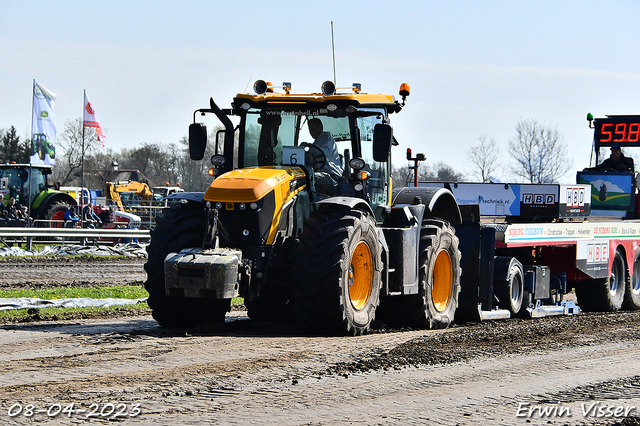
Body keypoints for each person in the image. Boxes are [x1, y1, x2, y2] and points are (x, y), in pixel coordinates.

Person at [306, 118, 344, 194]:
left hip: (331, 174)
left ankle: (319, 202)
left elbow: (324, 153)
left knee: (312, 178)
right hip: (319, 172)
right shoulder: (316, 142)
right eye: (310, 129)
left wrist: (309, 145)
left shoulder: (327, 137)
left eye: (313, 128)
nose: (311, 132)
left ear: (320, 127)